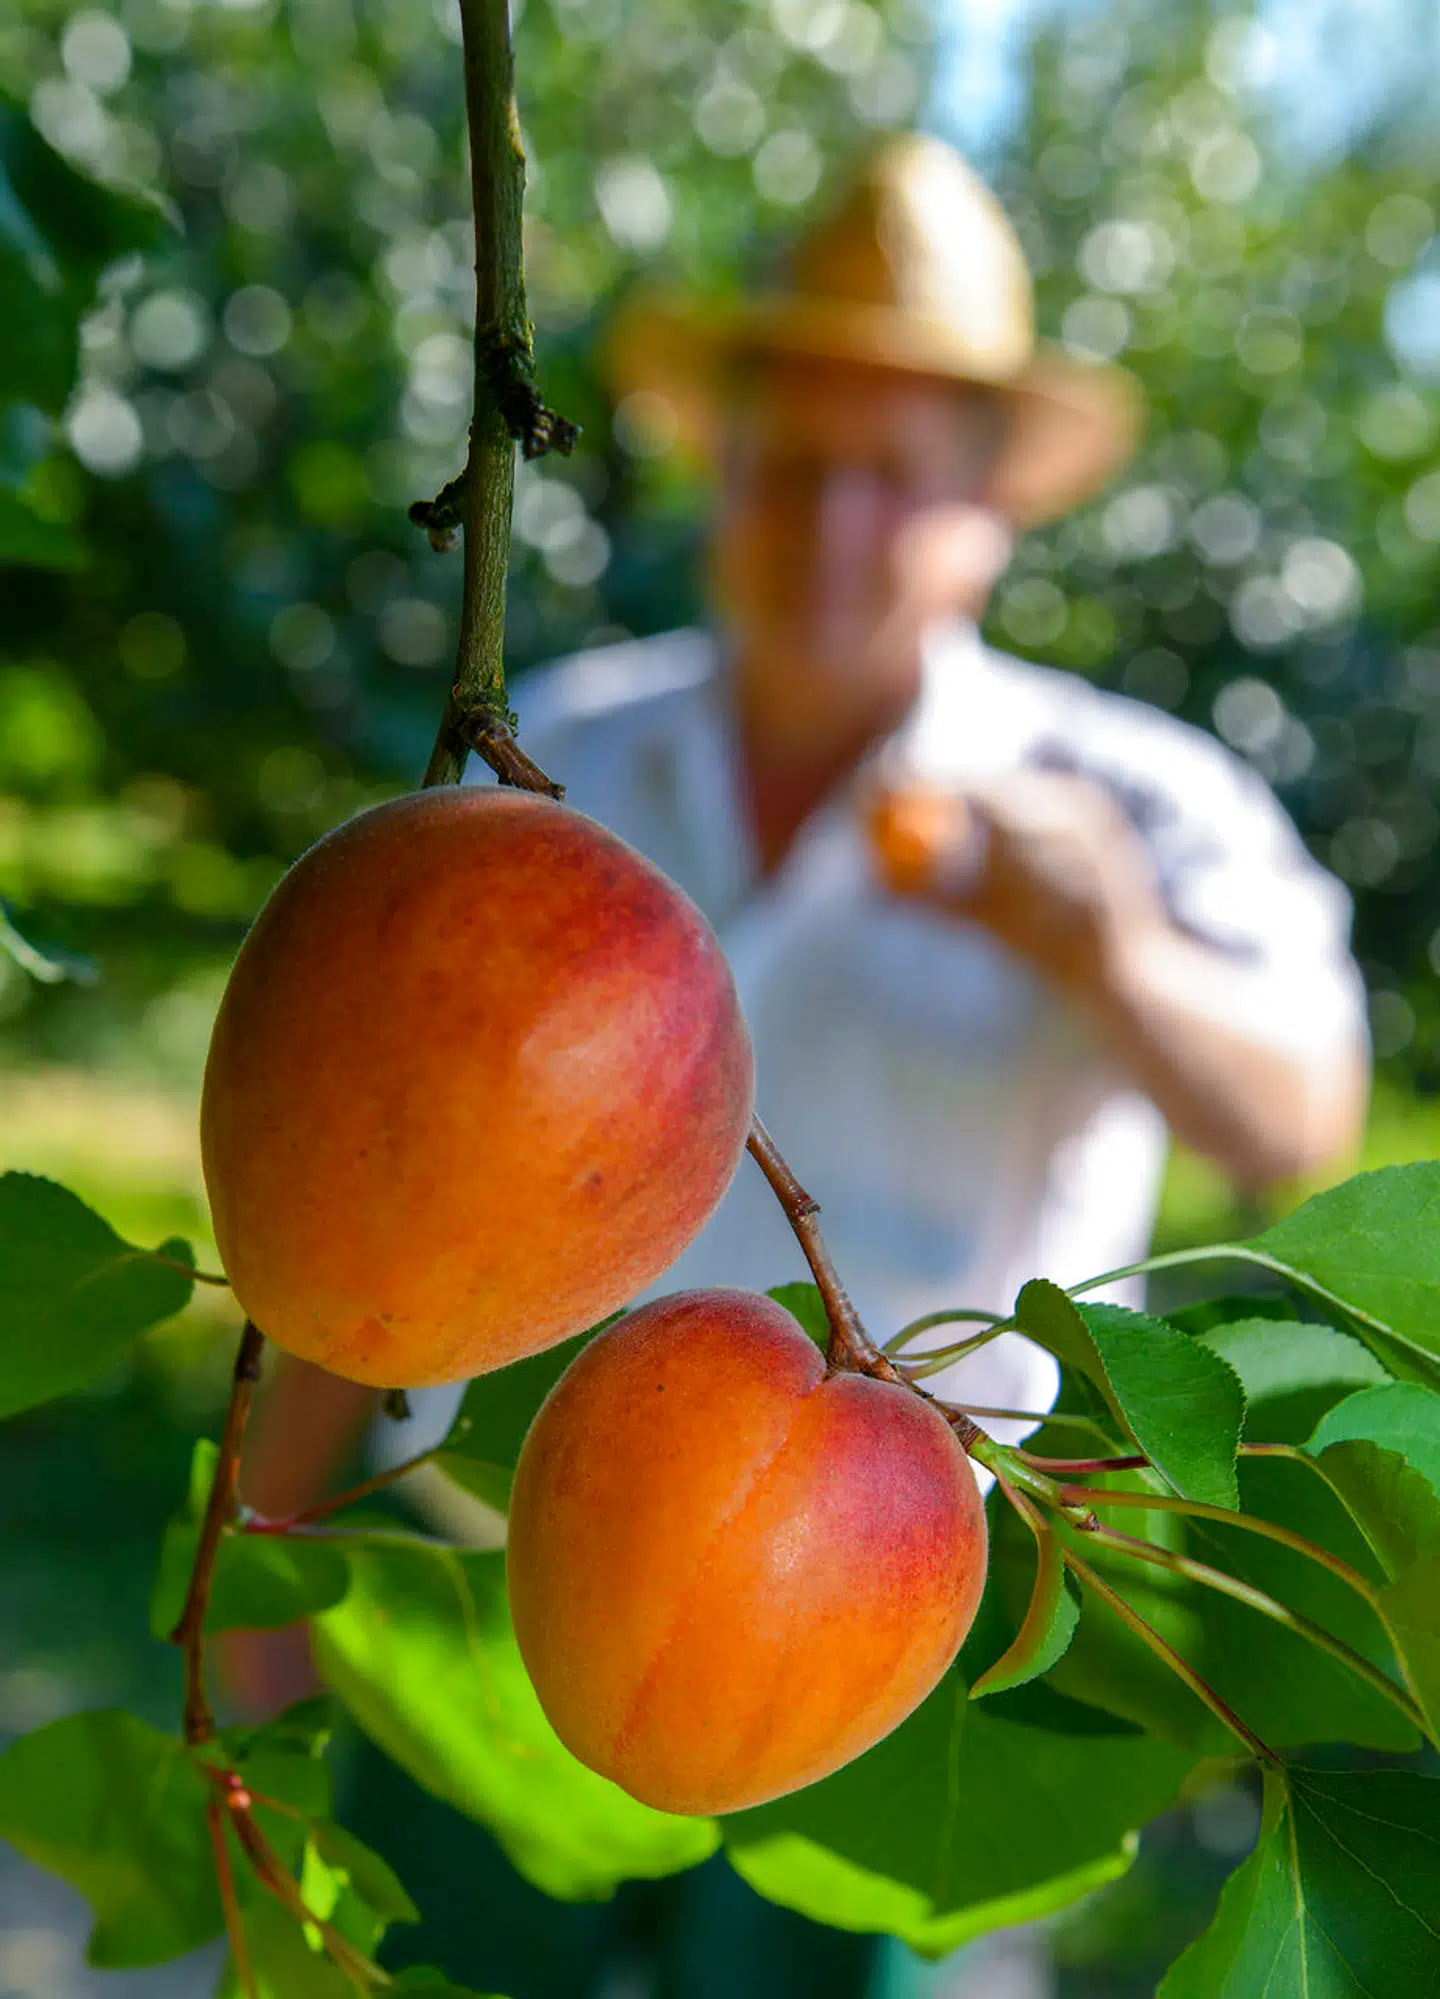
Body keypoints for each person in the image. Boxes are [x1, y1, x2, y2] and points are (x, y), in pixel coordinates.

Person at [230, 135, 1370, 1996]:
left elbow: (1299, 1122)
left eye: (890, 477)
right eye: (789, 462)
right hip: (484, 1586)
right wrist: (269, 1540)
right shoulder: (548, 766)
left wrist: (1112, 949)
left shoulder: (1132, 807)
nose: (830, 522)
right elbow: (360, 1195)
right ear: (719, 467)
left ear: (991, 507)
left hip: (857, 1649)